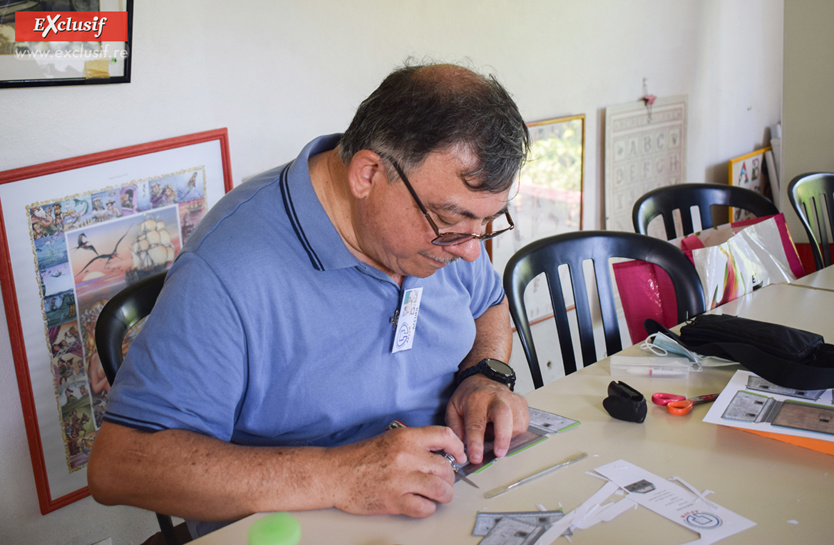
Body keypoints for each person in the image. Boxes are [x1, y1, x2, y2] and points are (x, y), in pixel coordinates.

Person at [88, 61, 531, 539]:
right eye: (450, 222)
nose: (470, 251)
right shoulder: (229, 269)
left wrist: (482, 375)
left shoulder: (446, 235)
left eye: (485, 224)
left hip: (446, 504)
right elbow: (120, 466)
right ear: (368, 173)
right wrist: (340, 474)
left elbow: (490, 303)